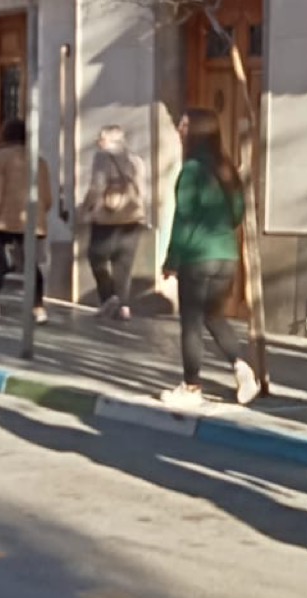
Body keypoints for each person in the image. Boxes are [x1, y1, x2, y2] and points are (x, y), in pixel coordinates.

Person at [162, 109, 257, 409]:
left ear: (197, 130)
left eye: (184, 124)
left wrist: (172, 259)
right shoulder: (226, 168)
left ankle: (191, 387)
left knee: (191, 322)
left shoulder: (192, 170)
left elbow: (183, 218)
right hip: (226, 255)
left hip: (197, 256)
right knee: (214, 316)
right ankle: (242, 367)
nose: (179, 129)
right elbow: (238, 213)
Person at [0, 117, 54, 323]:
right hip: (34, 222)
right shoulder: (39, 161)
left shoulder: (1, 158)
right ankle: (38, 307)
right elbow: (47, 197)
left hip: (5, 221)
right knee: (32, 265)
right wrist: (40, 213)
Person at [84, 123, 148, 318]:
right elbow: (142, 190)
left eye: (101, 138)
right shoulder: (136, 160)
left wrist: (86, 207)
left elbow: (97, 186)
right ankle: (124, 306)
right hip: (132, 218)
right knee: (123, 265)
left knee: (96, 257)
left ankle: (108, 298)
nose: (98, 142)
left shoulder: (101, 157)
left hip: (107, 217)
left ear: (109, 140)